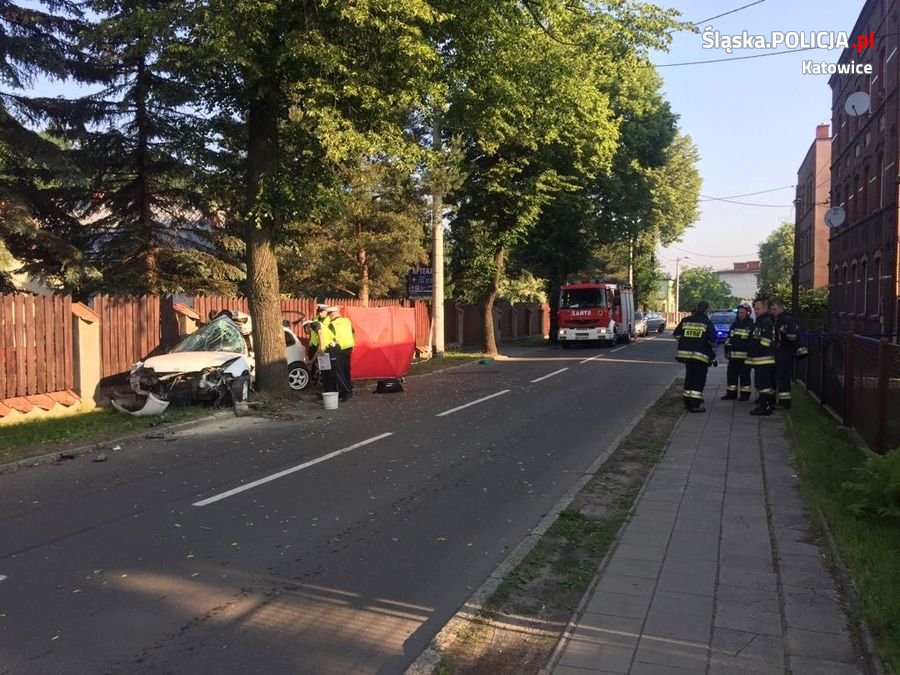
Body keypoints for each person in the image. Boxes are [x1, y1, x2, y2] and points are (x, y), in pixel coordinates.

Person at [673, 300, 718, 413]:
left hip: (686, 355)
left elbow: (676, 334)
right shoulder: (707, 323)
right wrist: (703, 344)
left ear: (697, 308)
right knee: (699, 379)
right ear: (706, 310)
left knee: (689, 377)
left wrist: (685, 342)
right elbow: (712, 340)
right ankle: (694, 404)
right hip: (700, 356)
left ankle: (687, 400)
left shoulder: (686, 320)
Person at [747, 298, 777, 416]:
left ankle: (764, 407)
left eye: (758, 308)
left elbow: (765, 342)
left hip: (764, 359)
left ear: (765, 309)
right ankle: (766, 404)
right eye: (755, 308)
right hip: (760, 359)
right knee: (763, 383)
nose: (756, 310)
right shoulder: (760, 321)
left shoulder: (766, 322)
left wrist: (754, 352)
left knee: (763, 384)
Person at [771, 299, 800, 409]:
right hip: (780, 352)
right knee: (779, 376)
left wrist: (785, 331)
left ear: (780, 308)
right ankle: (781, 401)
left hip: (785, 352)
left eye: (774, 309)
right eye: (772, 309)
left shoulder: (786, 319)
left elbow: (793, 337)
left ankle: (785, 403)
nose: (772, 311)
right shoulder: (778, 319)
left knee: (783, 377)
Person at [722, 302, 753, 401]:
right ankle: (731, 394)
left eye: (743, 313)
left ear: (747, 313)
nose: (740, 314)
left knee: (744, 376)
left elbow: (752, 342)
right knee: (731, 376)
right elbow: (729, 338)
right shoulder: (734, 324)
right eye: (739, 313)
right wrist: (726, 349)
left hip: (745, 357)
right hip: (733, 356)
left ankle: (745, 395)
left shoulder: (751, 326)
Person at [325, 306, 355, 401]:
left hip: (338, 348)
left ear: (332, 314)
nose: (329, 317)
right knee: (346, 370)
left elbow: (330, 338)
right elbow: (353, 332)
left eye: (329, 315)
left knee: (338, 371)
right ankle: (349, 388)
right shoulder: (347, 321)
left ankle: (345, 392)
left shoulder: (332, 324)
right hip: (348, 347)